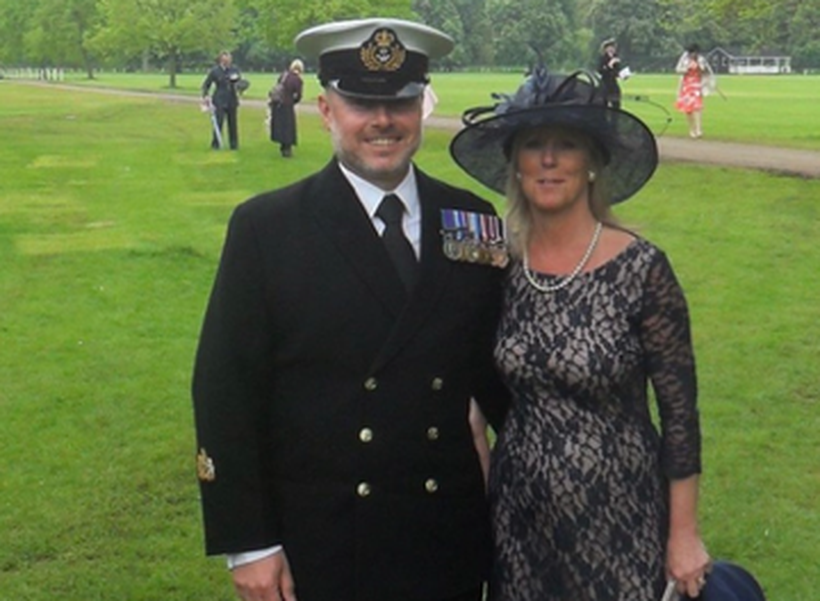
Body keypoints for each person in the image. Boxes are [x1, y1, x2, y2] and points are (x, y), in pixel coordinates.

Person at [192, 18, 510, 601]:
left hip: (447, 536)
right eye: (362, 102)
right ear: (326, 109)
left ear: (421, 107)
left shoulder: (472, 219)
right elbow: (225, 389)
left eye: (402, 102)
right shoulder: (268, 228)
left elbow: (503, 378)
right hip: (325, 538)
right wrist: (249, 542)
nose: (383, 121)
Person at [449, 64, 711, 601]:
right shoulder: (502, 268)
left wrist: (683, 535)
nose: (548, 159)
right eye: (533, 144)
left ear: (591, 163)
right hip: (520, 520)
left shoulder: (643, 271)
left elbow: (681, 418)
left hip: (620, 520)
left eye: (565, 144)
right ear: (515, 164)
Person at [201, 51, 244, 150]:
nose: (227, 62)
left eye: (229, 60)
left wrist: (241, 87)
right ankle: (216, 143)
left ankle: (234, 144)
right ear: (221, 60)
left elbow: (240, 83)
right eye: (225, 60)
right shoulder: (215, 71)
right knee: (219, 122)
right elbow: (206, 85)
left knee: (232, 123)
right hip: (219, 99)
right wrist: (206, 95)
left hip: (232, 99)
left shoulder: (234, 69)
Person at [675, 44, 716, 139]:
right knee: (688, 109)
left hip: (697, 85)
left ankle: (698, 129)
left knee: (697, 107)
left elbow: (707, 71)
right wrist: (685, 70)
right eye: (692, 53)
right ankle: (691, 129)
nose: (694, 54)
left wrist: (702, 70)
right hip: (686, 86)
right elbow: (677, 69)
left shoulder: (701, 59)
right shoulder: (684, 60)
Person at [269, 59, 304, 157]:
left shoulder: (283, 75)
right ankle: (287, 149)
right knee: (288, 128)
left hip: (278, 104)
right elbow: (298, 95)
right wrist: (293, 102)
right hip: (287, 105)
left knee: (281, 126)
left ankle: (282, 146)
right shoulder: (297, 80)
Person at [597, 38, 622, 109]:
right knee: (603, 104)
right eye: (610, 47)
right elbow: (600, 71)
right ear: (606, 49)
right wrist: (609, 65)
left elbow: (617, 71)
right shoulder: (602, 58)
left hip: (613, 83)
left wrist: (621, 75)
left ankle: (615, 118)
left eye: (613, 47)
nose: (612, 49)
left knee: (616, 103)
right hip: (605, 84)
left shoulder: (616, 58)